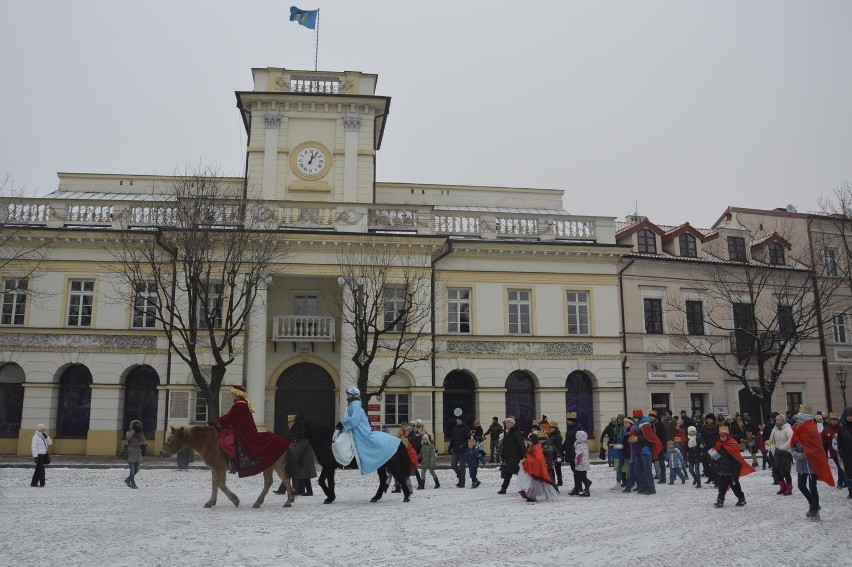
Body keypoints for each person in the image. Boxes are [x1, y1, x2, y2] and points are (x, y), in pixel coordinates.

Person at [210, 385, 291, 477]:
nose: (232, 396)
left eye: (233, 394)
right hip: (239, 428)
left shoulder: (239, 404)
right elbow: (232, 418)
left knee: (225, 443)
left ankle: (234, 464)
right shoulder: (241, 403)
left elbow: (229, 417)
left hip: (242, 431)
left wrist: (216, 423)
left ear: (238, 394)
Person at [338, 387, 401, 479]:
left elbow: (354, 420)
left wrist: (342, 423)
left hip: (361, 430)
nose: (347, 395)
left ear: (353, 395)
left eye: (349, 393)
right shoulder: (352, 404)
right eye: (348, 393)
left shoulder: (355, 404)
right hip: (356, 429)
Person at [789, 407, 835, 520]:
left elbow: (815, 448)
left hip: (811, 464)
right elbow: (792, 443)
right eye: (797, 419)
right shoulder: (796, 430)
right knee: (800, 485)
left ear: (806, 421)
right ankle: (813, 504)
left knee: (812, 486)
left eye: (800, 419)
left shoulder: (811, 431)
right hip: (801, 464)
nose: (798, 421)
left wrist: (803, 455)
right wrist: (794, 453)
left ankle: (815, 510)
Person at [710, 425, 754, 508]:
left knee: (735, 487)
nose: (722, 437)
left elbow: (737, 460)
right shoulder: (718, 444)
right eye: (721, 436)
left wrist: (736, 472)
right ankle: (720, 500)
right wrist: (712, 457)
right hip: (722, 471)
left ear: (727, 436)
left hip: (731, 473)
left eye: (724, 436)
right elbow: (716, 458)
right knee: (722, 487)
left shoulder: (732, 444)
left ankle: (741, 499)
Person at [516, 432, 559, 502]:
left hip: (535, 469)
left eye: (529, 440)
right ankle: (530, 494)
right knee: (531, 482)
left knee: (537, 482)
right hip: (532, 468)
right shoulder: (534, 447)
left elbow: (537, 459)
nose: (527, 442)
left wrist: (527, 461)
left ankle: (532, 496)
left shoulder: (537, 447)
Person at [497, 417, 526, 495]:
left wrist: (524, 456)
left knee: (520, 474)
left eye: (509, 422)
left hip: (516, 457)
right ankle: (504, 488)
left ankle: (524, 488)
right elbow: (505, 445)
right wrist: (503, 454)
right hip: (509, 457)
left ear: (513, 424)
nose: (507, 424)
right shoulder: (507, 433)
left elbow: (521, 445)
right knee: (508, 473)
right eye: (506, 423)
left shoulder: (516, 432)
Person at [769, 413, 794, 495]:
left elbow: (791, 439)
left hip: (785, 453)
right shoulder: (774, 430)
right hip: (777, 453)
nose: (776, 421)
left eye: (778, 420)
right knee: (776, 471)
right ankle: (782, 487)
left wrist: (783, 447)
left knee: (786, 471)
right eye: (776, 420)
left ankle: (789, 489)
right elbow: (771, 440)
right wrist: (771, 449)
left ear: (783, 421)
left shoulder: (787, 429)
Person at [562, 411, 585, 493]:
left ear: (571, 420)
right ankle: (578, 487)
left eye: (568, 420)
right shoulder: (570, 428)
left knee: (577, 472)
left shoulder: (579, 428)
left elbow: (581, 440)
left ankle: (581, 486)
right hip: (570, 452)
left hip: (576, 453)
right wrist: (562, 449)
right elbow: (567, 440)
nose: (567, 422)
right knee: (575, 471)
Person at [449, 415, 469, 487]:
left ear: (462, 421)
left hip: (463, 451)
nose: (457, 421)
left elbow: (468, 440)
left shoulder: (466, 428)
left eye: (458, 420)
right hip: (455, 450)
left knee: (462, 467)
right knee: (453, 464)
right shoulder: (455, 428)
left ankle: (462, 482)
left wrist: (463, 446)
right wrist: (450, 447)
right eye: (457, 419)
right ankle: (460, 477)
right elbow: (452, 439)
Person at [837, 407, 852, 499]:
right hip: (847, 454)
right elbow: (839, 442)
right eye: (848, 416)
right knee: (848, 474)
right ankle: (850, 490)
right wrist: (841, 453)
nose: (850, 418)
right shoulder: (842, 429)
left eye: (851, 416)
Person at [125, 419, 145, 489]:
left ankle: (128, 479)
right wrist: (133, 430)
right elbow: (128, 437)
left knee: (137, 469)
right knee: (132, 469)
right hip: (131, 451)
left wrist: (140, 433)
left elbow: (143, 440)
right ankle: (132, 483)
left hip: (138, 452)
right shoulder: (129, 432)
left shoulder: (139, 432)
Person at [573, 430, 592, 496]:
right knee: (580, 476)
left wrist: (577, 462)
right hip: (585, 463)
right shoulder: (585, 444)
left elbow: (579, 455)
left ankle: (587, 490)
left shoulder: (578, 445)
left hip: (580, 464)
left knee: (582, 477)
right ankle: (578, 489)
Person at [548, 421, 564, 486]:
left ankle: (559, 481)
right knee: (552, 468)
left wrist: (558, 452)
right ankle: (553, 481)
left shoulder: (557, 436)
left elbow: (559, 446)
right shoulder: (550, 435)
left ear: (555, 428)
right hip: (551, 454)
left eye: (552, 428)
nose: (550, 429)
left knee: (557, 469)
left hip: (556, 454)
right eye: (550, 428)